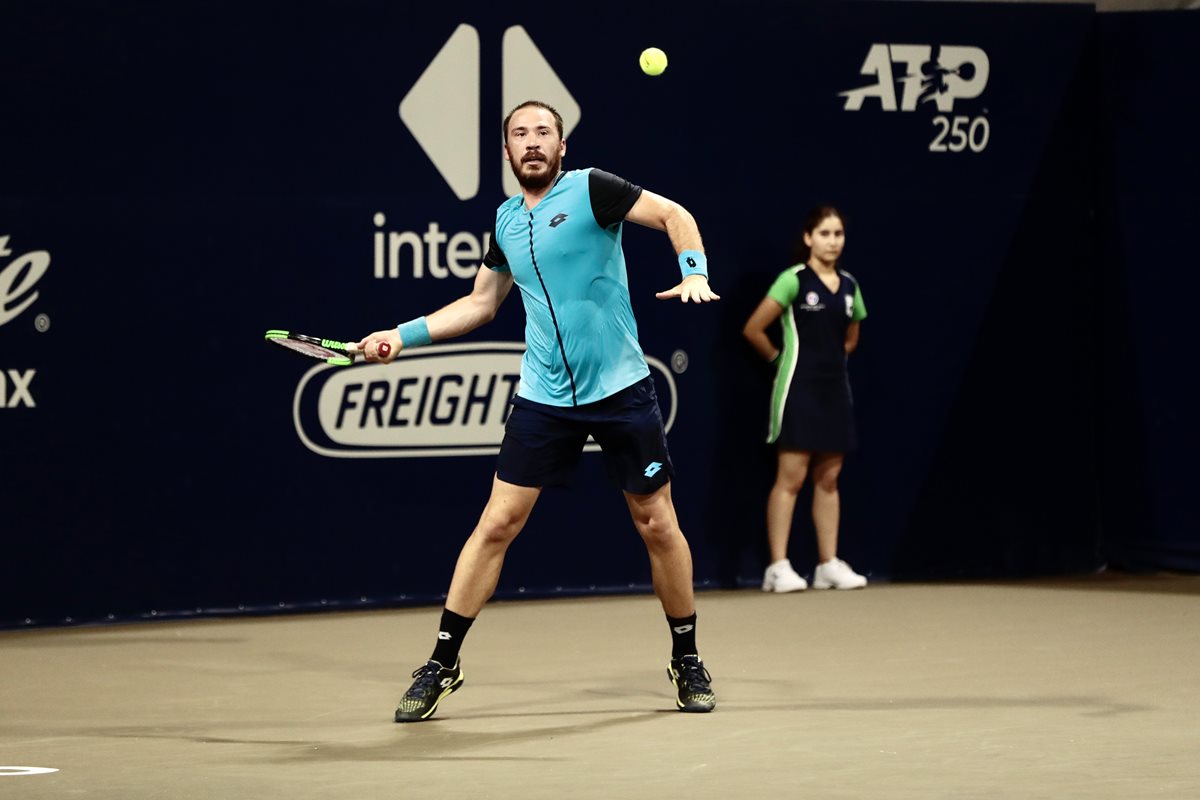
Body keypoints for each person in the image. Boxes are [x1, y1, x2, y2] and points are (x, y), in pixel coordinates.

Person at [357, 100, 720, 721]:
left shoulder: (593, 190)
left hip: (621, 388)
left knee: (658, 524)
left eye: (543, 133)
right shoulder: (504, 221)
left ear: (561, 146)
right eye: (520, 134)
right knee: (497, 523)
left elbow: (673, 215)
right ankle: (442, 662)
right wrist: (400, 335)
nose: (532, 142)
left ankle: (686, 656)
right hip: (544, 398)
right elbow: (480, 304)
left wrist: (693, 270)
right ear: (506, 151)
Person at [741, 205, 868, 593]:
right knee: (791, 479)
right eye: (825, 233)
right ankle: (777, 567)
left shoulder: (850, 285)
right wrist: (779, 361)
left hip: (835, 391)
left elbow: (851, 338)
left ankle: (828, 564)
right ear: (809, 238)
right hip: (797, 389)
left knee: (828, 479)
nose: (833, 241)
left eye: (838, 234)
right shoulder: (793, 280)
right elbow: (754, 329)